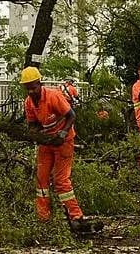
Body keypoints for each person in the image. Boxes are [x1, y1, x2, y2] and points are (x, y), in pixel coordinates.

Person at [21, 66, 86, 229]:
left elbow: (71, 116)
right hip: (46, 143)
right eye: (27, 88)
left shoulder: (53, 96)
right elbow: (33, 125)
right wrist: (31, 135)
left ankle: (76, 216)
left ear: (39, 83)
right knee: (41, 179)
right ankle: (44, 218)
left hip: (63, 142)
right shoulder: (28, 103)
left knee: (60, 180)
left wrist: (62, 134)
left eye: (33, 87)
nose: (31, 92)